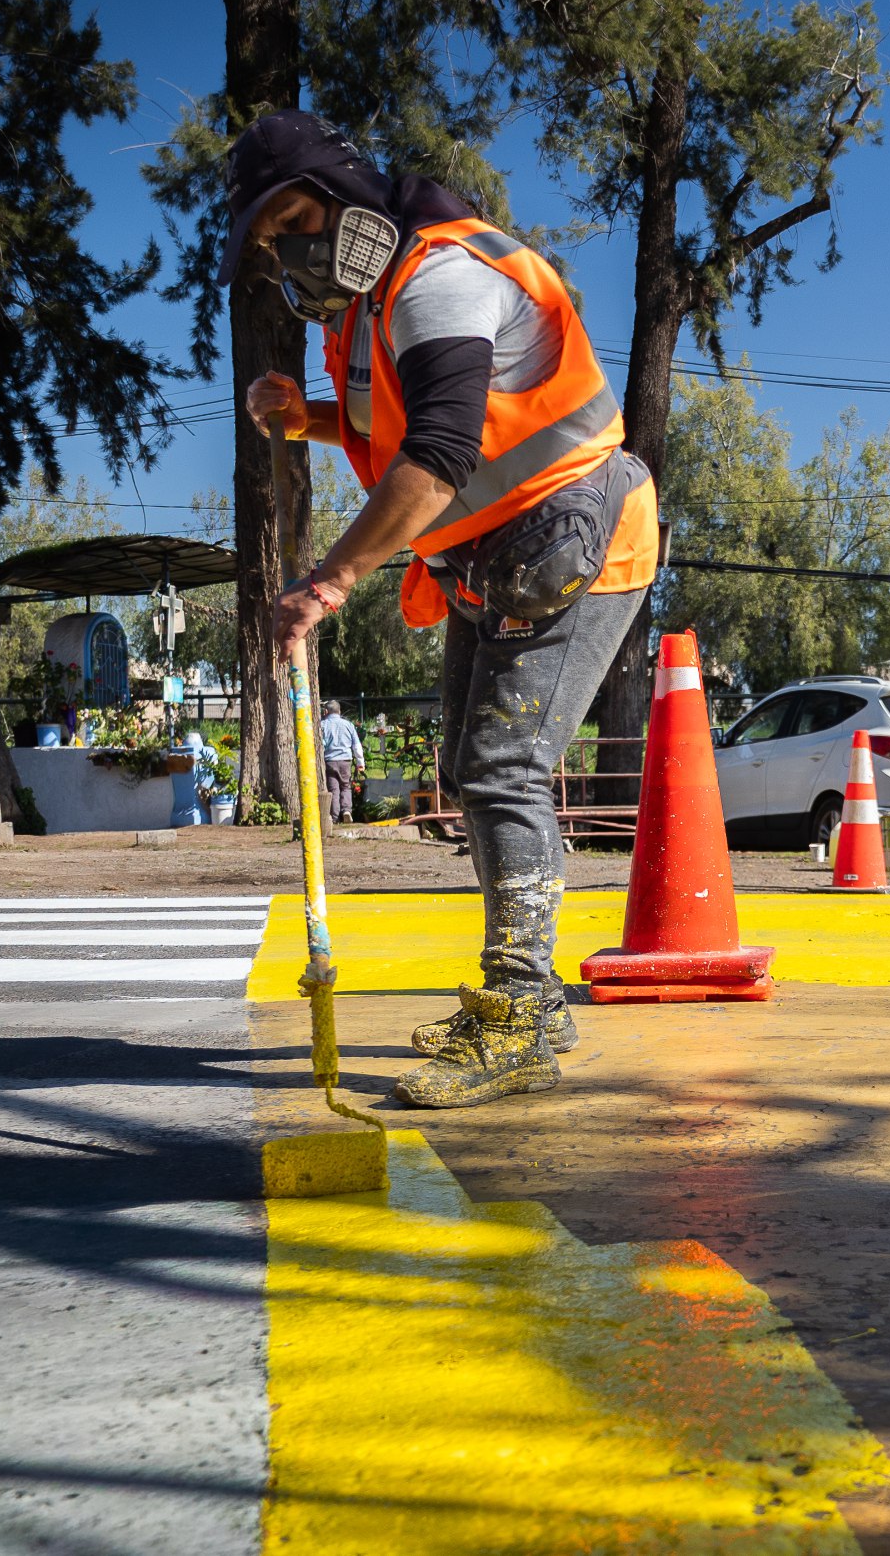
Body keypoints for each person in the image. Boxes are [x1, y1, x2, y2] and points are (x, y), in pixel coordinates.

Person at [221, 111, 659, 1110]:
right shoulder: (371, 312)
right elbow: (409, 428)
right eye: (269, 245)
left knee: (504, 765)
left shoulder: (437, 280)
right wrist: (311, 417)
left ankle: (515, 1017)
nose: (289, 253)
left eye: (292, 220)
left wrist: (330, 579)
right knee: (470, 766)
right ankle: (531, 1001)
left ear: (345, 196)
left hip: (573, 531)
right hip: (502, 547)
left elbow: (441, 456)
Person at [316, 700, 364, 824]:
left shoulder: (322, 725)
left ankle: (335, 817)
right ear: (339, 711)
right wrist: (360, 763)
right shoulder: (348, 725)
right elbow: (356, 745)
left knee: (333, 789)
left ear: (326, 711)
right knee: (346, 786)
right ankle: (347, 810)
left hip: (330, 761)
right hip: (345, 761)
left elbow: (321, 744)